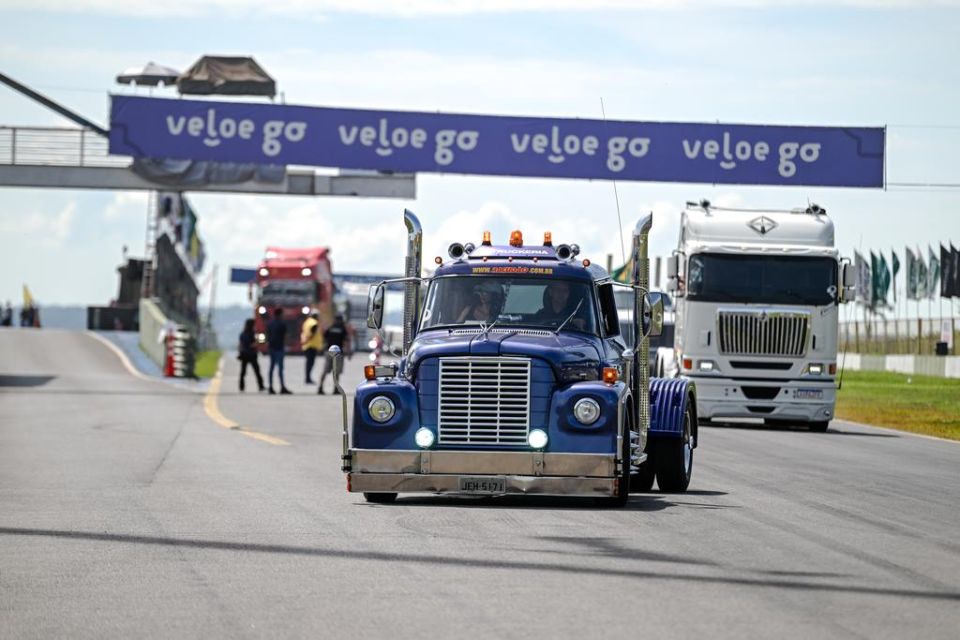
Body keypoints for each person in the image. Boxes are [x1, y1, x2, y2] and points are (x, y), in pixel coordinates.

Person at [318, 315, 349, 395]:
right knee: (337, 372)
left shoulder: (330, 327)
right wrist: (348, 352)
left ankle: (320, 387)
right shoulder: (342, 329)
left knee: (325, 371)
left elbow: (324, 337)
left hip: (328, 352)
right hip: (338, 353)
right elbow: (346, 340)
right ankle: (335, 389)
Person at [266, 308, 292, 395]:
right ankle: (282, 387)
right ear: (280, 314)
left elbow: (267, 335)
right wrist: (288, 345)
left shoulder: (269, 323)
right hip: (279, 348)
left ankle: (270, 387)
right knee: (280, 369)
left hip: (271, 348)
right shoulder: (282, 324)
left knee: (271, 368)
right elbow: (285, 336)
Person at [238, 318, 265, 392]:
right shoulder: (253, 334)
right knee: (257, 371)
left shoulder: (242, 334)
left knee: (243, 372)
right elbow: (253, 345)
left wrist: (240, 352)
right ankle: (261, 386)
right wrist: (257, 343)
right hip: (252, 354)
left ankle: (241, 386)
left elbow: (240, 345)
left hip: (244, 354)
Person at [301, 311, 323, 384]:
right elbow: (311, 334)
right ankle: (308, 378)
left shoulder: (307, 322)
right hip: (311, 346)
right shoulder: (314, 323)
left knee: (308, 363)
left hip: (307, 345)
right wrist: (307, 341)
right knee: (310, 363)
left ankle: (307, 377)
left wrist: (304, 342)